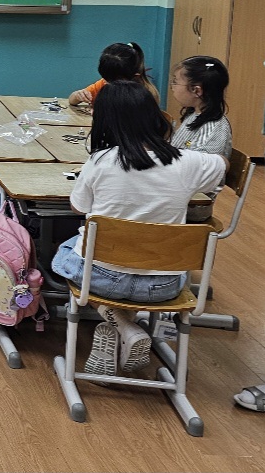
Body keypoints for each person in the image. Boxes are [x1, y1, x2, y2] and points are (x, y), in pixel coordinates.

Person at [50, 81, 224, 376]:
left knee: (65, 252)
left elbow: (78, 208)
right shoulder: (189, 162)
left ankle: (121, 326)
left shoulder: (100, 161)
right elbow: (222, 164)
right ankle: (124, 330)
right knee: (129, 263)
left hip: (101, 280)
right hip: (163, 285)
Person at [167, 55, 231, 157]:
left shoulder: (212, 129)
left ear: (196, 90)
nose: (172, 87)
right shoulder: (194, 114)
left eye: (175, 82)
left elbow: (200, 164)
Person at [68, 41, 158, 110]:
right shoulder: (104, 83)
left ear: (135, 75)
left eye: (114, 81)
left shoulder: (145, 95)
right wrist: (78, 95)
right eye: (106, 79)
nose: (107, 83)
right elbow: (72, 100)